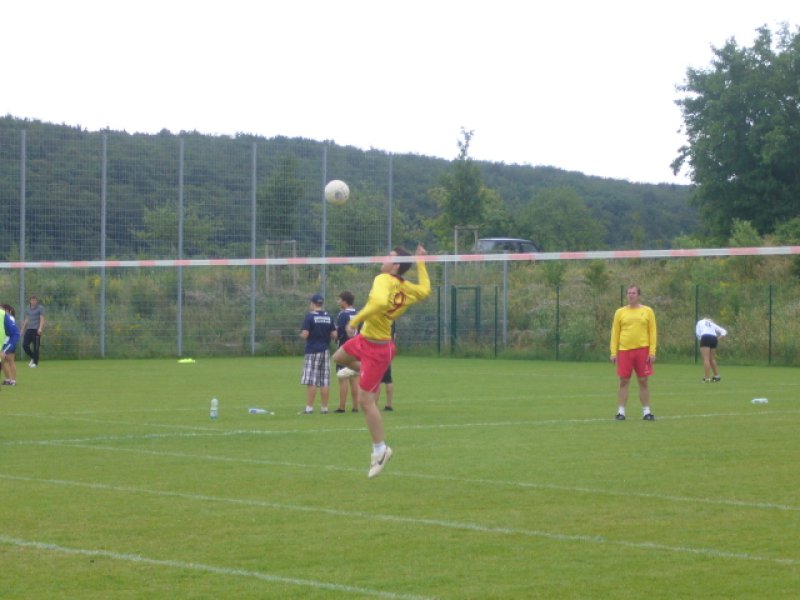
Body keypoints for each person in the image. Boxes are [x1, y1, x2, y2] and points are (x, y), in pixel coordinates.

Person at [332, 244, 431, 478]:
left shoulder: (383, 278)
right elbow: (425, 290)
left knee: (366, 402)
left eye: (390, 256)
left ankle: (380, 450)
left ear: (395, 266)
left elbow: (377, 304)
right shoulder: (406, 288)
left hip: (378, 348)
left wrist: (354, 321)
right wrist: (420, 262)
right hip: (367, 341)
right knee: (338, 358)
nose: (385, 257)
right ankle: (368, 375)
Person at [610, 285, 657, 421]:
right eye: (629, 293)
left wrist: (652, 351)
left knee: (643, 381)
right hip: (624, 350)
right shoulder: (620, 312)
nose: (631, 295)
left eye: (633, 293)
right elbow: (615, 333)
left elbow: (652, 331)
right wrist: (613, 352)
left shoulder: (647, 311)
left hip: (642, 350)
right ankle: (621, 412)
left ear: (638, 295)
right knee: (623, 381)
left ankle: (647, 412)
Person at [299, 294, 337, 414]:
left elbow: (305, 334)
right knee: (324, 381)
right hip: (325, 350)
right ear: (322, 304)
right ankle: (324, 408)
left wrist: (300, 335)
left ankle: (309, 408)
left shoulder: (309, 317)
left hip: (312, 351)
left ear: (313, 303)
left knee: (311, 380)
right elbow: (334, 335)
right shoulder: (328, 317)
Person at [333, 291, 360, 413]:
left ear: (344, 301)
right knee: (354, 378)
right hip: (358, 348)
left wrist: (334, 337)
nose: (338, 302)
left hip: (344, 349)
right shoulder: (358, 313)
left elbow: (338, 333)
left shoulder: (342, 315)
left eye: (339, 299)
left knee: (342, 377)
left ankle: (341, 407)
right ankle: (355, 406)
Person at [696, 317, 727, 382]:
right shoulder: (712, 324)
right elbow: (724, 332)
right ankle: (716, 376)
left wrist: (702, 341)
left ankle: (707, 378)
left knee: (706, 359)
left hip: (705, 337)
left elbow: (698, 334)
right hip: (714, 338)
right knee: (712, 359)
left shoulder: (700, 322)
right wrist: (717, 339)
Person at [21, 295, 45, 368]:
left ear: (36, 301)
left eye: (35, 300)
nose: (33, 301)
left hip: (36, 330)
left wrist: (40, 328)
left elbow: (42, 319)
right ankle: (33, 358)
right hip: (29, 329)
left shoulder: (40, 308)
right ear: (30, 301)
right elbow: (27, 319)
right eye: (32, 300)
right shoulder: (28, 308)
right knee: (25, 345)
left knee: (36, 347)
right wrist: (22, 329)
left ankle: (35, 363)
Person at [1, 304, 20, 387]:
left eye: (2, 308)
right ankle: (8, 379)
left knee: (10, 361)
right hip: (3, 343)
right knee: (2, 362)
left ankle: (13, 380)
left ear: (8, 310)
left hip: (9, 342)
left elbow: (13, 332)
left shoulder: (10, 318)